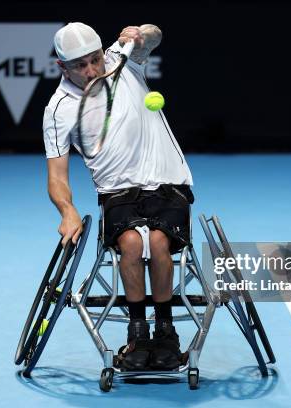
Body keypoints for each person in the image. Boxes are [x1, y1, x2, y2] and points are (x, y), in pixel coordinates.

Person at [43, 22, 194, 371]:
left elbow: (155, 35)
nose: (92, 70)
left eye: (95, 59)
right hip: (116, 193)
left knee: (157, 242)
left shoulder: (123, 59)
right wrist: (67, 210)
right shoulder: (58, 109)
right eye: (80, 66)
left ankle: (166, 330)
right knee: (129, 244)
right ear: (61, 68)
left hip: (168, 182)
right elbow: (56, 176)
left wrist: (144, 33)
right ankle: (138, 331)